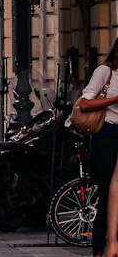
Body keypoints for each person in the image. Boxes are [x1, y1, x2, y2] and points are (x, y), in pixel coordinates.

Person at [77, 39, 118, 257]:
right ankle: (99, 249)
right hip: (108, 135)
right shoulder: (105, 71)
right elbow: (85, 103)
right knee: (106, 194)